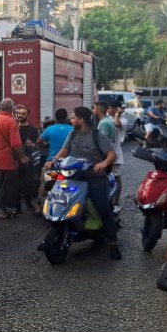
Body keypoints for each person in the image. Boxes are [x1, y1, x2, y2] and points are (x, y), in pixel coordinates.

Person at [46, 106, 122, 260]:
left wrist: (103, 163)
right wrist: (52, 161)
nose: (70, 120)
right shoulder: (72, 133)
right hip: (74, 174)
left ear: (81, 120)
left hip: (95, 176)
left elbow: (111, 154)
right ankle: (51, 236)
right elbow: (63, 151)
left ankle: (113, 244)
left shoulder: (97, 135)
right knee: (56, 197)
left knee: (101, 206)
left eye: (73, 117)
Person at [35, 108, 72, 215]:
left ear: (56, 118)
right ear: (66, 118)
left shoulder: (50, 129)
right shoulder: (72, 130)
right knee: (69, 182)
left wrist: (47, 144)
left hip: (53, 165)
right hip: (68, 166)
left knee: (44, 179)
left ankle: (39, 205)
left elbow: (39, 142)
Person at [15, 104, 39, 213]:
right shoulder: (14, 127)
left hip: (28, 160)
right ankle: (17, 206)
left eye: (23, 114)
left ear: (28, 116)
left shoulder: (33, 130)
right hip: (15, 159)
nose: (20, 115)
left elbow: (36, 144)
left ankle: (29, 203)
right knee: (15, 184)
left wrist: (32, 145)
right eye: (19, 113)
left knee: (28, 183)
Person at [107, 101, 127, 213]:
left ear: (116, 109)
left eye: (110, 108)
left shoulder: (123, 119)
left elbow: (117, 124)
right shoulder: (107, 118)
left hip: (116, 153)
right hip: (105, 153)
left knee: (116, 177)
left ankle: (116, 202)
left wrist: (116, 115)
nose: (108, 110)